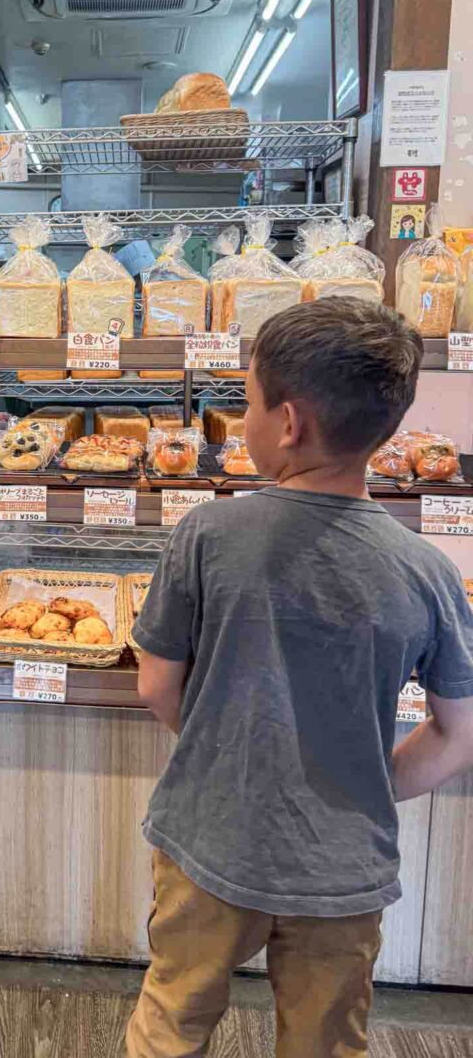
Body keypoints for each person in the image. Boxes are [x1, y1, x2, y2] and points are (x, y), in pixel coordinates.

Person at [126, 298, 473, 1058]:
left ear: (286, 425)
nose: (241, 420)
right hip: (342, 865)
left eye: (245, 403)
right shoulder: (427, 571)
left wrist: (227, 743)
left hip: (210, 836)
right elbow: (458, 733)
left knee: (173, 1018)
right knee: (325, 1039)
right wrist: (368, 780)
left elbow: (156, 684)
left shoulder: (209, 534)